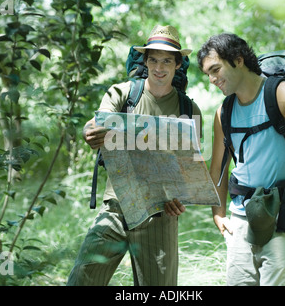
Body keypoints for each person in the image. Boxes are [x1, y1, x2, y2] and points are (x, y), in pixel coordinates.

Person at [67, 25, 202, 286]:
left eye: (166, 61)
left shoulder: (188, 108)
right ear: (145, 61)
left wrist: (181, 196)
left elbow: (190, 166)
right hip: (116, 207)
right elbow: (96, 122)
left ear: (177, 65)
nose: (159, 68)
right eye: (153, 59)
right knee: (82, 279)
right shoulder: (124, 93)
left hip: (160, 214)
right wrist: (90, 131)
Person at [197, 33, 285, 286]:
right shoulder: (223, 112)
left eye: (215, 70)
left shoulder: (283, 93)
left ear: (237, 60)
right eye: (208, 75)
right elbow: (219, 168)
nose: (213, 80)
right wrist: (219, 213)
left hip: (284, 214)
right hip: (240, 217)